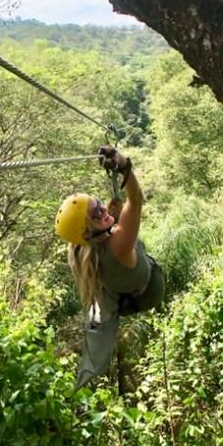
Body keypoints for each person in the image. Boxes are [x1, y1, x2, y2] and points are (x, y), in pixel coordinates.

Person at [55, 146, 164, 389]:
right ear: (88, 231)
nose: (104, 208)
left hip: (125, 293)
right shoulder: (118, 246)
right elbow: (136, 200)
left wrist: (109, 219)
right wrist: (123, 165)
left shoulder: (83, 250)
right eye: (97, 212)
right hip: (148, 291)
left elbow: (104, 233)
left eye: (99, 203)